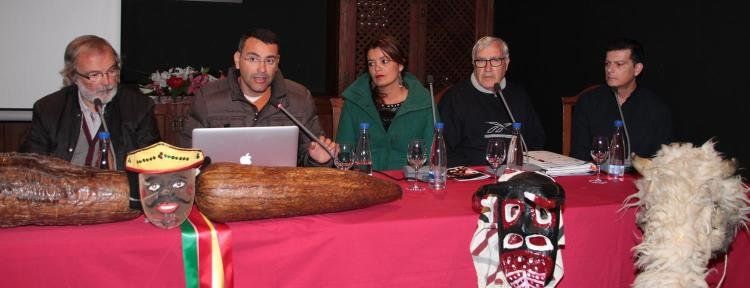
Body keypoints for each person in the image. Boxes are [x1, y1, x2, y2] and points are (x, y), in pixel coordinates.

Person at [179, 28, 335, 166]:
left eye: (269, 60)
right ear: (237, 60)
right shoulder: (208, 99)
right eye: (253, 59)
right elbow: (186, 158)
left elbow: (309, 159)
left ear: (277, 62)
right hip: (223, 191)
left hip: (280, 191)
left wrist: (318, 159)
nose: (262, 69)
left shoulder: (299, 99)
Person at [20, 35, 161, 171]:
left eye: (112, 71)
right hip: (65, 193)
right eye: (94, 75)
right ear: (73, 76)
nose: (107, 82)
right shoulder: (48, 109)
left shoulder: (139, 107)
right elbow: (31, 168)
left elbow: (152, 168)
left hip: (120, 192)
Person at [438, 36, 545, 167]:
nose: (487, 68)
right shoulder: (454, 98)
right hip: (472, 175)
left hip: (514, 174)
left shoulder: (519, 96)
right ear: (473, 64)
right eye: (481, 61)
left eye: (495, 60)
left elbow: (535, 143)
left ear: (506, 63)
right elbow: (445, 151)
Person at [336, 35, 436, 170]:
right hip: (367, 182)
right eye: (371, 63)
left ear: (400, 65)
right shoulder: (354, 101)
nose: (377, 68)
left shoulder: (423, 101)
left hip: (411, 182)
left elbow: (433, 155)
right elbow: (344, 152)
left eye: (384, 61)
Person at [570, 38, 672, 161]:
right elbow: (578, 155)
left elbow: (661, 159)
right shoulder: (588, 101)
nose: (609, 70)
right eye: (607, 64)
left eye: (619, 64)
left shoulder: (656, 109)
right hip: (595, 177)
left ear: (637, 69)